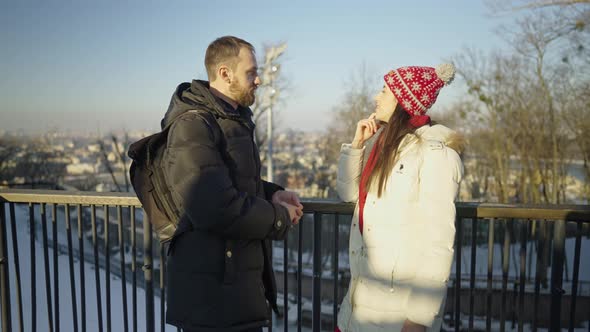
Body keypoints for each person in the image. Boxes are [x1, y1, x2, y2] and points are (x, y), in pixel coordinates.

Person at [163, 36, 303, 332]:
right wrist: (279, 219)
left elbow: (229, 183)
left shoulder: (231, 120)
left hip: (232, 292)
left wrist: (272, 194)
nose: (259, 80)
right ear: (225, 73)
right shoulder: (193, 125)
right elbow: (214, 206)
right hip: (212, 300)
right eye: (251, 72)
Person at [335, 64, 465, 332]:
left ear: (403, 100)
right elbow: (349, 194)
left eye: (384, 91)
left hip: (395, 315)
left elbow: (438, 243)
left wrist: (418, 319)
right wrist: (357, 146)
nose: (376, 97)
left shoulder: (436, 155)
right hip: (359, 305)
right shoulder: (384, 147)